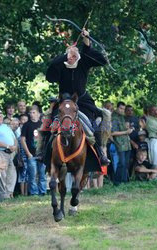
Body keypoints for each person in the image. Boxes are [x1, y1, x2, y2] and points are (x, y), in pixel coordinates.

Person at [46, 28, 110, 165]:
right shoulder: (60, 65)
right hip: (64, 101)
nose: (73, 56)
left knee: (95, 121)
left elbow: (101, 60)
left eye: (76, 53)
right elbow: (49, 75)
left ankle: (100, 152)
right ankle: (43, 152)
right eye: (70, 54)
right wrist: (66, 56)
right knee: (49, 124)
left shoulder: (83, 62)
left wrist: (87, 42)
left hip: (82, 100)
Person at [0, 109, 17, 198]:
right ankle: (3, 195)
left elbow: (14, 139)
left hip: (11, 153)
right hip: (1, 152)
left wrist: (15, 147)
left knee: (12, 174)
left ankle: (9, 193)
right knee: (3, 174)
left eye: (0, 116)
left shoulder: (6, 126)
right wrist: (9, 146)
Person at [21, 106, 46, 196]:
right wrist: (28, 153)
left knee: (42, 175)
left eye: (34, 112)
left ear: (39, 114)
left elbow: (46, 140)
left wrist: (44, 153)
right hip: (31, 154)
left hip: (41, 155)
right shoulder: (26, 125)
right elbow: (22, 140)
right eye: (30, 113)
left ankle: (42, 192)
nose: (31, 114)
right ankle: (34, 193)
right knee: (32, 176)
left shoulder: (43, 125)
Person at [111, 102, 133, 185]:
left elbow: (125, 130)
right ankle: (117, 182)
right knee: (122, 163)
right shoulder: (114, 117)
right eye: (120, 108)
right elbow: (112, 133)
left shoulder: (122, 117)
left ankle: (124, 181)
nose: (122, 110)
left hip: (126, 143)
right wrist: (126, 131)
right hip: (119, 144)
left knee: (126, 163)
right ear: (117, 108)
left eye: (123, 109)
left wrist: (129, 129)